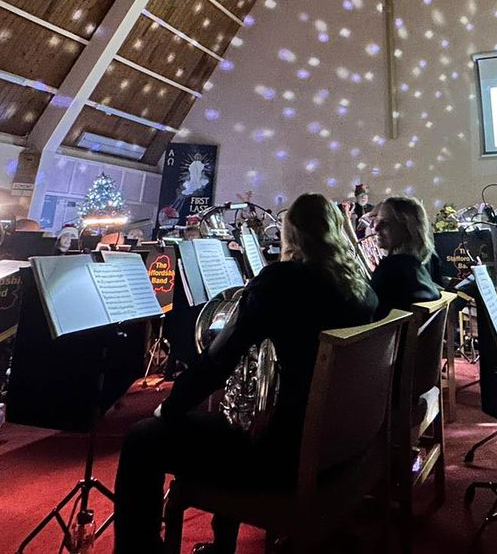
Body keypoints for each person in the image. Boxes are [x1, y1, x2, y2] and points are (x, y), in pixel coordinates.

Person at [114, 193, 378, 554]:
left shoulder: (281, 281)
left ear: (294, 235)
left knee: (142, 439)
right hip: (343, 442)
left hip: (283, 455)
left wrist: (172, 408)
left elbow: (218, 361)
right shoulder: (360, 286)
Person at [368, 196, 441, 317]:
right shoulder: (417, 266)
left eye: (385, 223)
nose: (376, 228)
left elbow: (368, 315)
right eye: (377, 221)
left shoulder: (391, 268)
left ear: (407, 228)